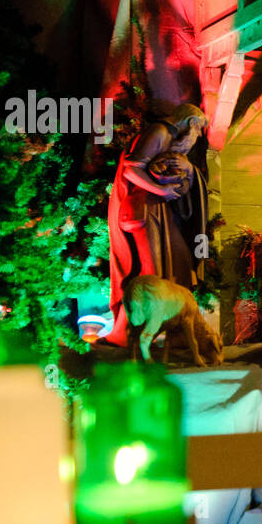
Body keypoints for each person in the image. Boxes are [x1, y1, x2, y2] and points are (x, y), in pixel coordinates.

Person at [106, 104, 210, 344]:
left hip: (156, 211)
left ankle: (167, 336)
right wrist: (161, 189)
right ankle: (126, 336)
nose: (197, 136)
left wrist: (187, 172)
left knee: (180, 265)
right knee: (149, 278)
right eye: (198, 129)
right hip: (142, 211)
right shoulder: (160, 132)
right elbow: (131, 169)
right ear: (191, 122)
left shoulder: (170, 139)